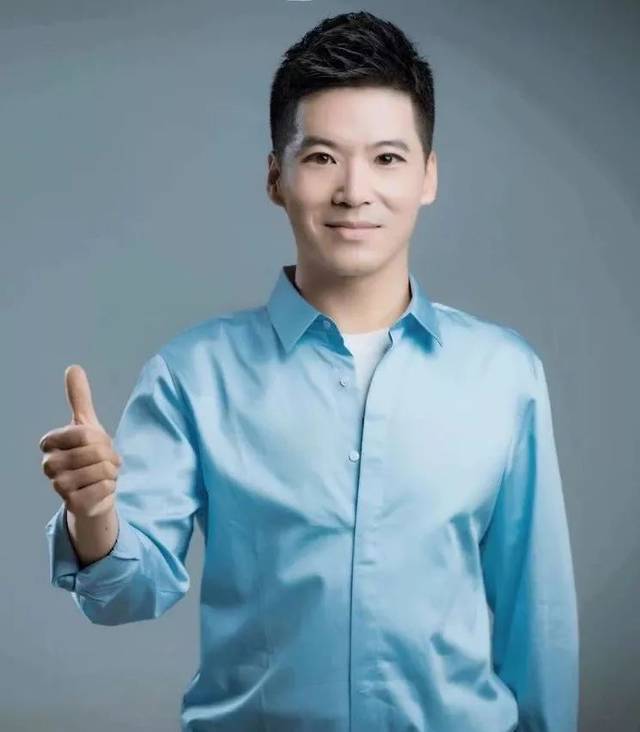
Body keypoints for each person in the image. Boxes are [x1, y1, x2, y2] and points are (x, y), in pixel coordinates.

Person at [40, 11, 579, 731]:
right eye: (322, 157)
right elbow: (124, 595)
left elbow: (538, 618)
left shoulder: (504, 375)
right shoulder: (193, 376)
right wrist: (94, 515)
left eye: (387, 158)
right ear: (276, 176)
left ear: (428, 175)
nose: (355, 191)